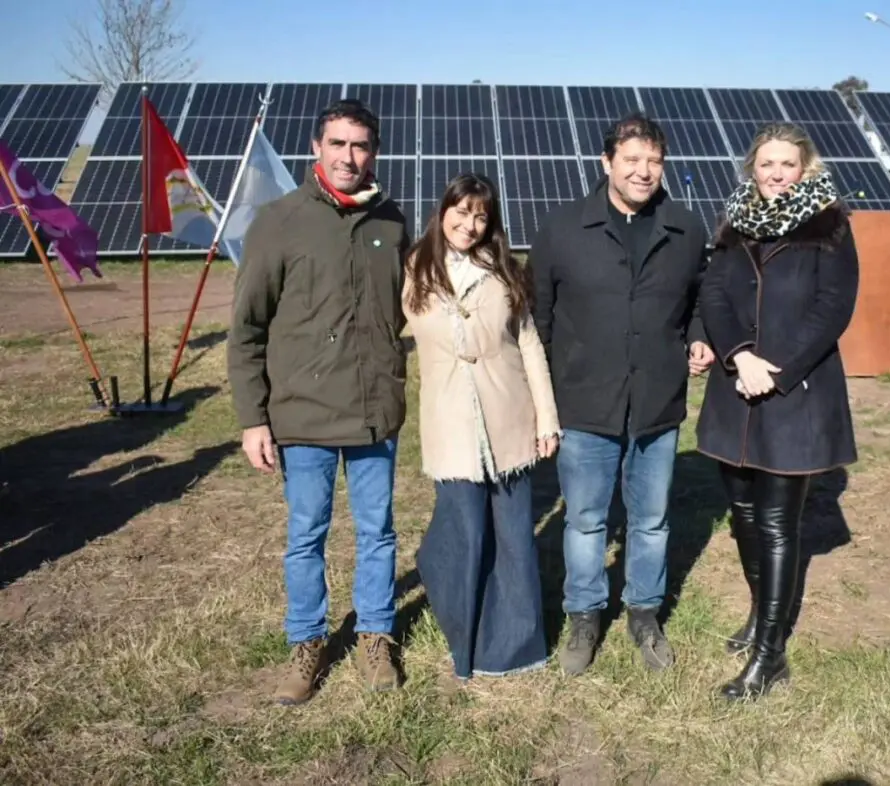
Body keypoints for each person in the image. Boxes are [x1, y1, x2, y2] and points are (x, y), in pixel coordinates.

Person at [226, 98, 411, 705]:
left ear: (374, 153)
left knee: (377, 531)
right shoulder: (278, 221)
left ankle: (376, 637)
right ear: (316, 148)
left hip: (373, 409)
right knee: (307, 535)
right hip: (301, 413)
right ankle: (307, 644)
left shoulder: (391, 221)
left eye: (360, 146)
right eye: (338, 144)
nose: (348, 157)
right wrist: (254, 419)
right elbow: (247, 327)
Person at [529, 112, 717, 676]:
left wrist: (702, 336)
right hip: (586, 402)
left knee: (651, 520)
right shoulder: (563, 230)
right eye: (632, 160)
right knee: (585, 519)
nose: (643, 172)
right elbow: (537, 320)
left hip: (657, 404)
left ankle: (643, 611)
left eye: (654, 162)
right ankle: (584, 615)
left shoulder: (685, 230)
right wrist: (538, 403)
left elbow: (700, 301)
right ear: (606, 162)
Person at [695, 121, 860, 701]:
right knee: (741, 512)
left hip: (796, 395)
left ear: (805, 168)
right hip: (736, 392)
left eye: (787, 164)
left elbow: (833, 308)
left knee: (775, 522)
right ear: (752, 168)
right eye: (766, 164)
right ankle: (760, 617)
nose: (776, 174)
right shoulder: (735, 223)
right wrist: (740, 355)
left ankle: (770, 656)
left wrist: (775, 368)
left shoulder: (831, 227)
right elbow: (713, 292)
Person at [403, 173, 560, 681]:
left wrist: (546, 418)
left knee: (514, 535)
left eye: (481, 216)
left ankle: (514, 646)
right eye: (461, 211)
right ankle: (465, 634)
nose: (469, 225)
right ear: (443, 209)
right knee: (464, 532)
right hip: (450, 420)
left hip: (509, 415)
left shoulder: (505, 272)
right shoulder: (414, 268)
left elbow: (530, 346)